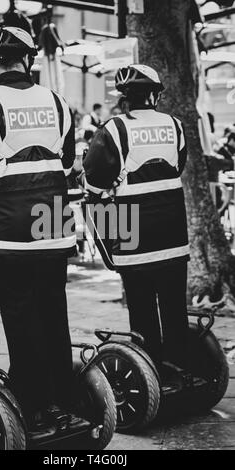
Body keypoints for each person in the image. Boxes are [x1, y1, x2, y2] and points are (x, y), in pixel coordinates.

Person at [0, 26, 86, 430]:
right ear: (29, 59)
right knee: (53, 311)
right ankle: (65, 397)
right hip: (54, 226)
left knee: (20, 315)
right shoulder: (59, 104)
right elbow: (66, 167)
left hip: (9, 230)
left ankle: (36, 408)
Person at [83, 64, 190, 374]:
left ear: (125, 97)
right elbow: (178, 166)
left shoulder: (114, 128)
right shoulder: (175, 125)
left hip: (134, 231)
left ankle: (150, 370)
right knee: (174, 306)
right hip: (173, 232)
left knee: (142, 308)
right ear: (154, 95)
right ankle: (179, 365)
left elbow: (94, 178)